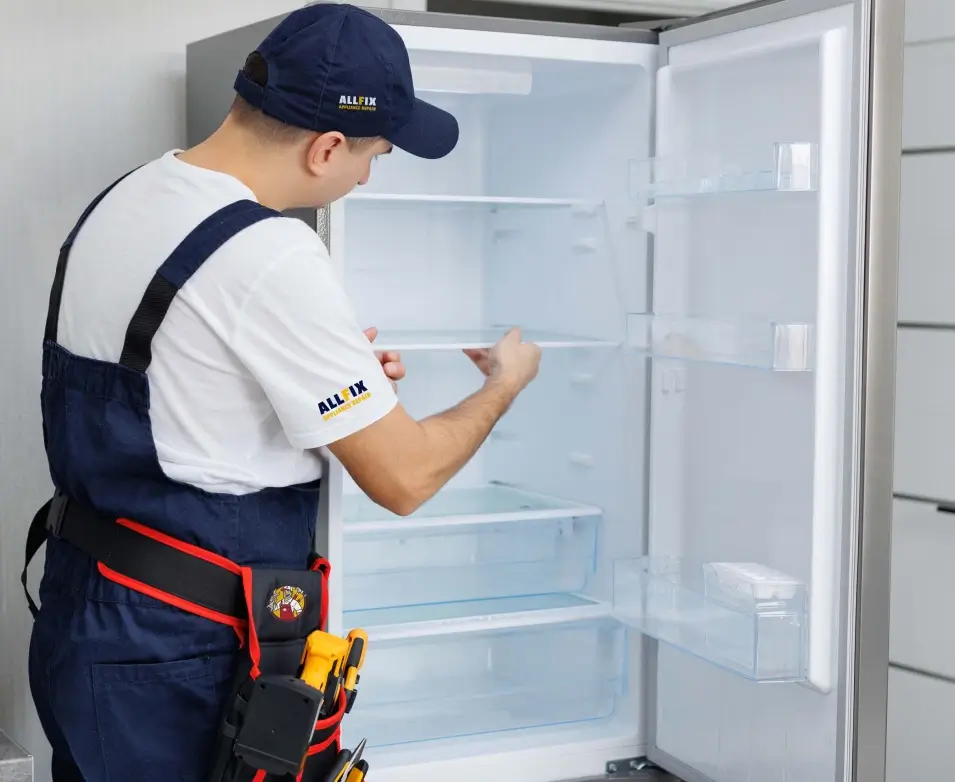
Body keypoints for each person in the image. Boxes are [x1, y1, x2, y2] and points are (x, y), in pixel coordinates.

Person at [22, 4, 542, 781]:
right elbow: (404, 477)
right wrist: (504, 385)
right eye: (375, 155)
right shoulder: (271, 253)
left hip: (88, 611)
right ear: (326, 146)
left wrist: (323, 375)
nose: (367, 176)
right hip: (179, 655)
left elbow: (182, 373)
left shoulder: (129, 196)